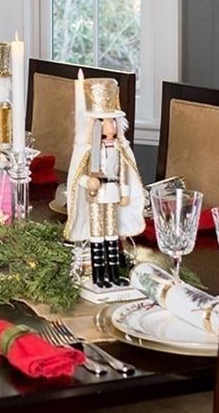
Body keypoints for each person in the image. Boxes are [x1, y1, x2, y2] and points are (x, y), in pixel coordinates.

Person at [64, 75, 145, 288]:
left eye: (111, 121)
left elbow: (125, 172)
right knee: (97, 233)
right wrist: (86, 181)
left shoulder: (120, 148)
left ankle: (114, 272)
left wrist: (126, 192)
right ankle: (98, 274)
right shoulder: (87, 150)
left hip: (113, 193)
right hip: (96, 196)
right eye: (103, 122)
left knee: (111, 231)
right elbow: (76, 175)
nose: (109, 126)